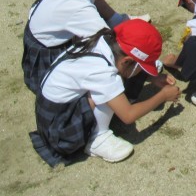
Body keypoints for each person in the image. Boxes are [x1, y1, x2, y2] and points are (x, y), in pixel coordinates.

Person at [30, 20, 181, 166]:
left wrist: (151, 77)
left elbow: (124, 69)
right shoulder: (103, 72)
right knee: (112, 89)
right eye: (142, 68)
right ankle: (97, 138)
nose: (142, 71)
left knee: (112, 86)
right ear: (127, 61)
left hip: (50, 112)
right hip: (61, 133)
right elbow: (128, 115)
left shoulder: (103, 41)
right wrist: (163, 96)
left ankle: (96, 126)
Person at [22, 0, 146, 94]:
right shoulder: (77, 8)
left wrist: (117, 21)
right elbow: (109, 44)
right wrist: (150, 65)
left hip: (48, 41)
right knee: (111, 60)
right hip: (48, 59)